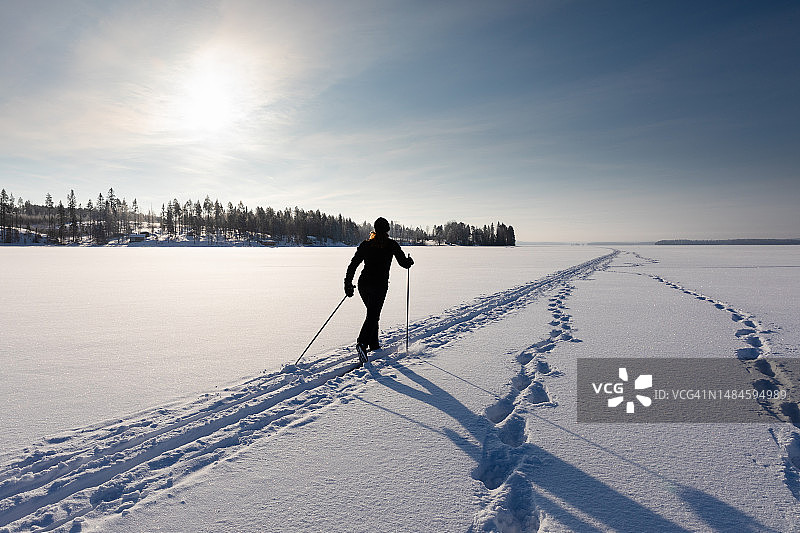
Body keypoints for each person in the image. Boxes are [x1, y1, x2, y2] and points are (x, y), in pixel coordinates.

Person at [344, 217, 414, 363]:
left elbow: (353, 265)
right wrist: (409, 262)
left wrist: (348, 283)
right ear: (387, 230)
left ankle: (373, 344)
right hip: (379, 285)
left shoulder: (366, 244)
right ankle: (362, 343)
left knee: (372, 313)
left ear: (375, 229)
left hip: (364, 284)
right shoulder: (391, 244)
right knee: (373, 314)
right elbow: (403, 263)